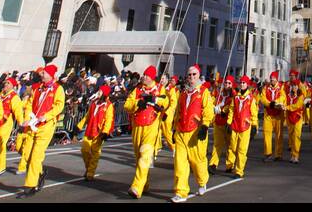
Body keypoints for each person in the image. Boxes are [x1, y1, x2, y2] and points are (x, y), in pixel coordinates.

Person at [16, 64, 64, 197]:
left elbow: (59, 106)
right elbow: (30, 103)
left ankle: (30, 185)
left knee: (36, 156)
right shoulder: (38, 88)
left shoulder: (58, 89)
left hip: (46, 126)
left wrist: (46, 116)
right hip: (33, 125)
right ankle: (40, 173)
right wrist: (28, 118)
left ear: (50, 75)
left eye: (44, 73)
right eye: (42, 73)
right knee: (27, 155)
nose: (41, 75)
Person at [170, 64, 214, 202]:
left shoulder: (204, 92)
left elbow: (208, 111)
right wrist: (174, 129)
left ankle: (202, 181)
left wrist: (205, 126)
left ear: (198, 76)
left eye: (194, 74)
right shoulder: (182, 94)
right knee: (180, 163)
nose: (191, 77)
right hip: (181, 132)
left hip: (196, 132)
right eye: (189, 75)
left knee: (197, 161)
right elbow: (178, 112)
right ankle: (181, 192)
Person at [124, 66, 168, 199]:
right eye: (144, 75)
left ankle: (136, 186)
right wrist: (138, 103)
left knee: (145, 156)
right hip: (137, 127)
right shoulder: (137, 90)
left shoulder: (159, 89)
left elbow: (165, 102)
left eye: (146, 75)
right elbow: (127, 105)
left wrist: (154, 101)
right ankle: (145, 184)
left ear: (152, 77)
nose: (144, 77)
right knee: (139, 158)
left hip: (151, 127)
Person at [79, 83, 114, 181]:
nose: (98, 92)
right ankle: (89, 168)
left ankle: (90, 173)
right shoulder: (94, 103)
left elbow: (109, 119)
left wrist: (105, 132)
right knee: (84, 150)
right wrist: (79, 126)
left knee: (95, 153)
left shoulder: (108, 105)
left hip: (99, 133)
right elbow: (87, 116)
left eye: (100, 91)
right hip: (89, 129)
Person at [226, 75, 258, 178]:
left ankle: (239, 171)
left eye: (244, 83)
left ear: (247, 84)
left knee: (241, 150)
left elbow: (254, 113)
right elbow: (231, 110)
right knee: (232, 147)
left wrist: (254, 126)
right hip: (235, 125)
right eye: (241, 83)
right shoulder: (236, 97)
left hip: (245, 127)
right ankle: (229, 165)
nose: (242, 84)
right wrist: (229, 122)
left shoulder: (251, 98)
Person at [259, 70, 286, 161]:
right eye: (271, 79)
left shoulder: (281, 87)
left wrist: (276, 102)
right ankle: (268, 153)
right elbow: (262, 98)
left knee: (279, 135)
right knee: (266, 133)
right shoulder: (265, 88)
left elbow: (283, 97)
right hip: (268, 114)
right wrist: (269, 104)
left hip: (278, 115)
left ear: (276, 79)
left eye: (274, 79)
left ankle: (278, 154)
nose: (272, 81)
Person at [209, 75, 234, 172]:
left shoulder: (234, 95)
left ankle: (229, 165)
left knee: (229, 145)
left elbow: (232, 106)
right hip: (218, 122)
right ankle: (213, 164)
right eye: (226, 83)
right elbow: (214, 102)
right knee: (217, 144)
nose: (227, 85)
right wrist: (214, 108)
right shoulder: (219, 94)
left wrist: (223, 110)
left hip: (228, 124)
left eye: (229, 83)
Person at [284, 69, 307, 163]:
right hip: (289, 117)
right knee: (291, 136)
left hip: (297, 117)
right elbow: (284, 101)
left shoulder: (300, 96)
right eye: (293, 86)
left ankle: (296, 155)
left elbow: (297, 106)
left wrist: (287, 107)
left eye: (296, 86)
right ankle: (292, 155)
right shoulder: (288, 95)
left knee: (296, 136)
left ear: (298, 87)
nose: (294, 87)